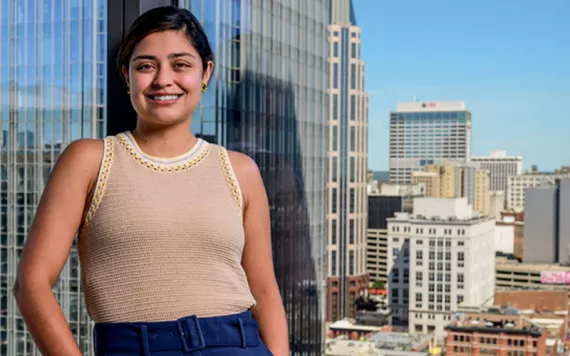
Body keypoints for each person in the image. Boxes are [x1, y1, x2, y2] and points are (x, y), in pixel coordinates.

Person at [13, 6, 288, 356]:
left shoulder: (241, 171)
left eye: (181, 64)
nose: (163, 79)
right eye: (145, 65)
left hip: (238, 345)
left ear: (206, 72)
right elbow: (31, 284)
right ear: (127, 76)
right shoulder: (89, 160)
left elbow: (264, 292)